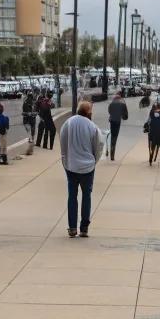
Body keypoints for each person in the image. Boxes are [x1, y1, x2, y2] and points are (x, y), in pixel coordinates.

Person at [59, 98, 101, 237]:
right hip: (87, 167)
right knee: (86, 196)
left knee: (72, 196)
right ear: (88, 112)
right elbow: (98, 147)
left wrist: (65, 160)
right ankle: (84, 228)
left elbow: (63, 143)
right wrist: (94, 161)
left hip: (71, 165)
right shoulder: (92, 126)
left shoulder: (68, 123)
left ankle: (72, 227)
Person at [107, 89, 128, 160]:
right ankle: (112, 154)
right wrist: (123, 116)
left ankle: (111, 153)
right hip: (117, 121)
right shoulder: (123, 102)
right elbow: (125, 114)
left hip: (112, 120)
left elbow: (109, 111)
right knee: (115, 137)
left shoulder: (112, 102)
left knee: (113, 136)